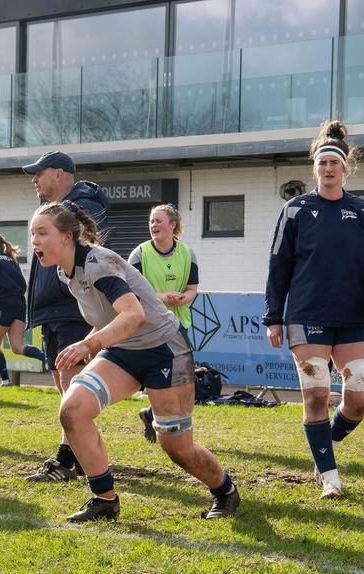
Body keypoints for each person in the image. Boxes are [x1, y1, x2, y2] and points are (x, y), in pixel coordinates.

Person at [31, 202, 239, 522]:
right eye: (33, 233)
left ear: (68, 237)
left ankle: (225, 491)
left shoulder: (98, 261)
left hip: (165, 350)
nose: (35, 240)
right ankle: (104, 499)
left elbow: (134, 315)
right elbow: (108, 317)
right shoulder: (65, 271)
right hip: (123, 351)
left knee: (177, 447)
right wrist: (87, 344)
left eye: (42, 232)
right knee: (72, 411)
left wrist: (89, 344)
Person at [263, 120, 364, 499]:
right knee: (317, 392)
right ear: (315, 168)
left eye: (334, 163)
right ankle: (330, 476)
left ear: (345, 168)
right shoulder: (296, 210)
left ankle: (323, 453)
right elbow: (278, 265)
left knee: (359, 397)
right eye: (322, 164)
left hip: (351, 316)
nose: (328, 169)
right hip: (306, 315)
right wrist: (273, 316)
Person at [20, 150, 110, 482]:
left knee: (73, 390)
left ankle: (69, 459)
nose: (34, 179)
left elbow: (88, 257)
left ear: (58, 174)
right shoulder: (49, 213)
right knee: (64, 386)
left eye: (38, 173)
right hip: (51, 311)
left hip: (73, 311)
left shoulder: (83, 207)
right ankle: (78, 457)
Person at [128, 204, 199, 443]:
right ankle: (159, 419)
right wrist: (162, 297)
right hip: (149, 325)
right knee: (157, 377)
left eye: (159, 221)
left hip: (179, 324)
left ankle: (152, 415)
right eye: (151, 221)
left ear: (172, 226)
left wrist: (182, 298)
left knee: (181, 380)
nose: (154, 225)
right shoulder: (139, 253)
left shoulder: (187, 253)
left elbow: (192, 290)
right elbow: (132, 292)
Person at [0, 233, 46, 387]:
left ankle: (5, 381)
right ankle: (48, 359)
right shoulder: (12, 261)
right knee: (18, 347)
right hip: (19, 307)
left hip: (3, 306)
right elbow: (23, 285)